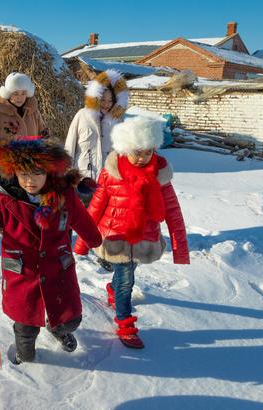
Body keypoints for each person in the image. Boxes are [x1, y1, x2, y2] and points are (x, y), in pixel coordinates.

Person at [0, 137, 101, 364]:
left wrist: (96, 241)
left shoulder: (64, 195)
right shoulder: (5, 198)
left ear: (49, 172)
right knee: (26, 324)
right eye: (23, 174)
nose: (29, 181)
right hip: (22, 270)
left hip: (57, 266)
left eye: (36, 173)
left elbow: (82, 221)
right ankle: (24, 354)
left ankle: (59, 329)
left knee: (68, 316)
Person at [74, 116, 190, 349]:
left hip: (143, 238)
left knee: (125, 276)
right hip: (114, 236)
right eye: (136, 151)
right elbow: (96, 206)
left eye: (147, 152)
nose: (141, 157)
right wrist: (82, 242)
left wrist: (180, 249)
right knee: (127, 280)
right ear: (125, 148)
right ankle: (125, 325)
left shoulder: (160, 176)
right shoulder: (112, 173)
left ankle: (112, 289)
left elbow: (173, 212)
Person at [64, 69, 129, 271]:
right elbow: (70, 145)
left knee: (106, 220)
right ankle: (64, 250)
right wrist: (66, 173)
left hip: (108, 179)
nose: (106, 105)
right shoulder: (82, 116)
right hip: (83, 177)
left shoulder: (117, 120)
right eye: (103, 100)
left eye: (110, 101)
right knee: (74, 215)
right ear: (95, 98)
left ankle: (104, 254)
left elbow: (123, 149)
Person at [0, 72, 48, 182]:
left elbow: (44, 134)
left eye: (23, 93)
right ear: (8, 93)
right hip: (7, 168)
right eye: (16, 93)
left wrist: (49, 157)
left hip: (32, 166)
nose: (20, 97)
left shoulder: (33, 111)